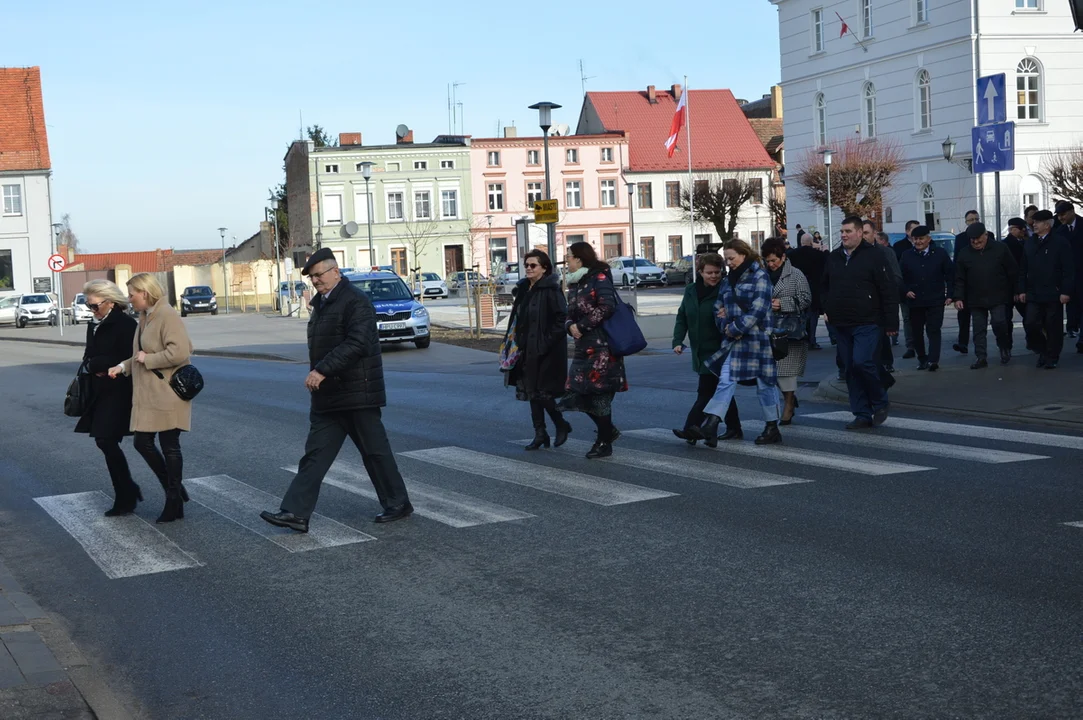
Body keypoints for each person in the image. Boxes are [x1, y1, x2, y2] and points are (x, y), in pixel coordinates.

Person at [260, 249, 412, 532]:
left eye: (319, 274)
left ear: (336, 272)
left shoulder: (356, 301)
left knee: (375, 452)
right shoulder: (322, 305)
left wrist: (321, 370)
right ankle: (295, 513)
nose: (316, 280)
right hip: (329, 397)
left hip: (357, 393)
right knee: (315, 455)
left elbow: (357, 344)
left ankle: (397, 503)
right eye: (312, 277)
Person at [107, 273, 194, 524]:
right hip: (150, 394)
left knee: (169, 446)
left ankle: (173, 498)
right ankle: (175, 492)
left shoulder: (167, 314)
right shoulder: (145, 317)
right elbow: (138, 355)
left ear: (144, 293)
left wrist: (150, 359)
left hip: (168, 393)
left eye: (132, 293)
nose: (129, 298)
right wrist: (122, 367)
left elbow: (181, 350)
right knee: (142, 442)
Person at [688, 239, 782, 446]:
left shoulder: (760, 275)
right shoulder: (728, 280)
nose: (728, 263)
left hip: (758, 341)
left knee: (765, 385)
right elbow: (718, 307)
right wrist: (725, 325)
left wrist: (735, 327)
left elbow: (758, 309)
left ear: (743, 254)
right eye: (727, 259)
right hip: (734, 342)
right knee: (725, 380)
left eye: (731, 258)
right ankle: (712, 422)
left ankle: (772, 426)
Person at [822, 216, 899, 430]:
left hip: (868, 320)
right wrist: (826, 308)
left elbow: (888, 289)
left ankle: (880, 400)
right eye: (842, 231)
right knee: (850, 369)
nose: (844, 235)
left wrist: (892, 322)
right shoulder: (834, 257)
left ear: (859, 232)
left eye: (848, 231)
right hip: (841, 322)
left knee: (862, 362)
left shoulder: (875, 256)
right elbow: (825, 285)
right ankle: (862, 413)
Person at [76, 280, 140, 516]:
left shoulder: (125, 324)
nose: (91, 310)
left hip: (119, 390)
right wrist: (96, 364)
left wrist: (102, 363)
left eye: (94, 305)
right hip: (99, 390)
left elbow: (126, 357)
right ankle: (128, 491)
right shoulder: (93, 323)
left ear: (110, 302)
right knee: (105, 441)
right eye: (88, 305)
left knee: (106, 440)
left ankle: (127, 495)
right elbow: (88, 356)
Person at [562, 241, 627, 459]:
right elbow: (569, 310)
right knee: (575, 395)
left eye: (568, 257)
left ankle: (604, 442)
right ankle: (608, 432)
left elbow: (607, 306)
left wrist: (581, 326)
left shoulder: (599, 278)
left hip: (602, 349)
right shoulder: (575, 283)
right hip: (583, 347)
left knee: (598, 396)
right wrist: (569, 325)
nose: (566, 261)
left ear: (579, 258)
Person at [671, 253, 742, 444]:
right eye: (709, 272)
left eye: (717, 272)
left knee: (706, 391)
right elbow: (682, 316)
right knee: (721, 390)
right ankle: (731, 428)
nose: (713, 276)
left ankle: (691, 428)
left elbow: (740, 311)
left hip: (720, 350)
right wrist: (677, 340)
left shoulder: (726, 290)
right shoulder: (691, 290)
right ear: (700, 272)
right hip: (699, 350)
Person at [505, 250, 571, 450]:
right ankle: (540, 433)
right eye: (526, 265)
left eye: (533, 265)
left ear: (544, 268)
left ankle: (561, 424)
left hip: (547, 350)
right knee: (532, 391)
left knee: (543, 392)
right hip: (525, 348)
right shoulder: (524, 288)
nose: (528, 268)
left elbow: (562, 319)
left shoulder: (551, 290)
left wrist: (545, 343)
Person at [761, 238, 811, 426]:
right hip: (766, 330)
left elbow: (806, 299)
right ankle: (789, 398)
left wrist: (783, 303)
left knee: (786, 372)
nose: (771, 264)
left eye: (774, 260)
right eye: (768, 261)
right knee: (770, 373)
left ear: (783, 257)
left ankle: (789, 404)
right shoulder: (761, 275)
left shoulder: (796, 275)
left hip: (789, 331)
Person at [954, 222, 1018, 368]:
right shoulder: (964, 253)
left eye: (979, 239)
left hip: (998, 295)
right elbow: (959, 278)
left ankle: (1004, 347)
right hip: (975, 297)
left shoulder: (1000, 249)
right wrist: (958, 297)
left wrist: (1016, 291)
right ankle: (981, 357)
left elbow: (1012, 271)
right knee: (978, 329)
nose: (976, 242)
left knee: (1000, 323)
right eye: (972, 240)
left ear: (986, 235)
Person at [1018, 210, 1074, 369]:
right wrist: (1022, 289)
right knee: (1030, 323)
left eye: (1038, 222)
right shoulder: (1030, 243)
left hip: (1053, 292)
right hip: (1033, 292)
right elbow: (1023, 268)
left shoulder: (1060, 242)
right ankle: (1042, 349)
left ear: (1048, 224)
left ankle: (1052, 355)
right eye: (1033, 222)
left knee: (1052, 326)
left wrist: (1065, 291)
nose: (1034, 225)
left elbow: (1068, 270)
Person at [899, 225, 954, 372]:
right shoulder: (907, 255)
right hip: (915, 300)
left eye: (921, 239)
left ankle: (933, 360)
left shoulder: (940, 254)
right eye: (915, 239)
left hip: (935, 299)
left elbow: (950, 275)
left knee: (934, 329)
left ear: (928, 239)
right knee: (917, 331)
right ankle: (922, 358)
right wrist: (906, 290)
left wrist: (950, 295)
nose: (918, 242)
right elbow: (900, 277)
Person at [869, 225, 903, 371]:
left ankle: (886, 363)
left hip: (880, 303)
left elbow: (896, 277)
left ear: (874, 234)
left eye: (866, 232)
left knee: (881, 337)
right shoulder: (850, 253)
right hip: (861, 306)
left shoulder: (885, 252)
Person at [787, 232, 827, 350]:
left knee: (799, 314)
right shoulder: (818, 255)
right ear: (811, 242)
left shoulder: (792, 255)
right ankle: (812, 340)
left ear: (801, 242)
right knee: (813, 316)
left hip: (797, 288)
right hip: (814, 288)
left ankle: (800, 337)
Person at [1054, 200, 1083, 350]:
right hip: (1070, 276)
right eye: (1058, 215)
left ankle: (1082, 341)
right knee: (1073, 305)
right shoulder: (1060, 232)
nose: (1061, 218)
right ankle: (1073, 327)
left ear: (1072, 211)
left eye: (1063, 214)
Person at [953, 210, 982, 354]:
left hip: (981, 282)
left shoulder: (987, 235)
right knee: (963, 315)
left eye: (976, 218)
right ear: (966, 222)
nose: (974, 221)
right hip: (965, 282)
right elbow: (957, 261)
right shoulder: (960, 238)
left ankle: (980, 345)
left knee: (980, 318)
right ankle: (962, 342)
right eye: (971, 219)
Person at [1004, 217, 1033, 347]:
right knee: (1009, 318)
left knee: (1027, 316)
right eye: (1021, 229)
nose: (1024, 232)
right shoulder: (1008, 245)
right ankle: (1008, 344)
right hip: (1012, 288)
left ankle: (1009, 344)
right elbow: (1013, 269)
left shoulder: (1023, 243)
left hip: (1019, 287)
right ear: (1013, 229)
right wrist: (1017, 289)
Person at [893, 220, 919, 359]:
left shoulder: (926, 243)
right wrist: (903, 288)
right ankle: (911, 346)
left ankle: (920, 345)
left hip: (922, 289)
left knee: (921, 319)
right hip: (905, 289)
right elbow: (897, 270)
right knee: (908, 318)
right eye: (914, 230)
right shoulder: (899, 247)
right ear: (907, 231)